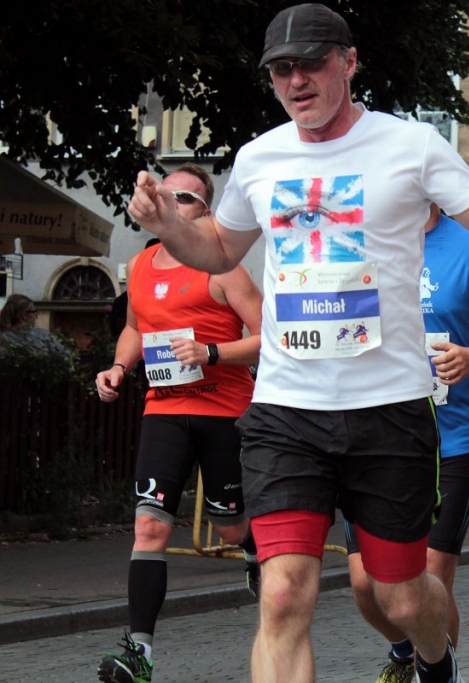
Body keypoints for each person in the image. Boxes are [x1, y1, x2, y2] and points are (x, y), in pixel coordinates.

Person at [127, 5, 469, 683]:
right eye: (281, 70)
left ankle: (437, 662)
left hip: (389, 410)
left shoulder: (411, 145)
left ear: (348, 62)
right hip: (287, 410)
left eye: (311, 63)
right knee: (284, 594)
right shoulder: (259, 158)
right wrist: (171, 224)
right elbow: (220, 248)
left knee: (401, 595)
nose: (296, 80)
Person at [344, 204, 469, 683]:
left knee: (428, 578)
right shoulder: (355, 242)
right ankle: (401, 651)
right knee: (365, 583)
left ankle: (435, 673)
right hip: (371, 439)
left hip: (449, 441)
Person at [95, 163, 263, 683]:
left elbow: (271, 338)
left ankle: (254, 549)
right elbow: (134, 327)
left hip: (224, 412)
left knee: (229, 526)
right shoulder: (140, 264)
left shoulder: (225, 269)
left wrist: (211, 352)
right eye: (164, 194)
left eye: (185, 197)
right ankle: (139, 653)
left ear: (206, 212)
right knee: (149, 527)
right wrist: (119, 367)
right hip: (164, 411)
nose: (170, 202)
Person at [0, 294, 69, 356]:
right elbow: (65, 355)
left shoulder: (3, 337)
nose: (36, 316)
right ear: (25, 315)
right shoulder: (42, 335)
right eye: (34, 312)